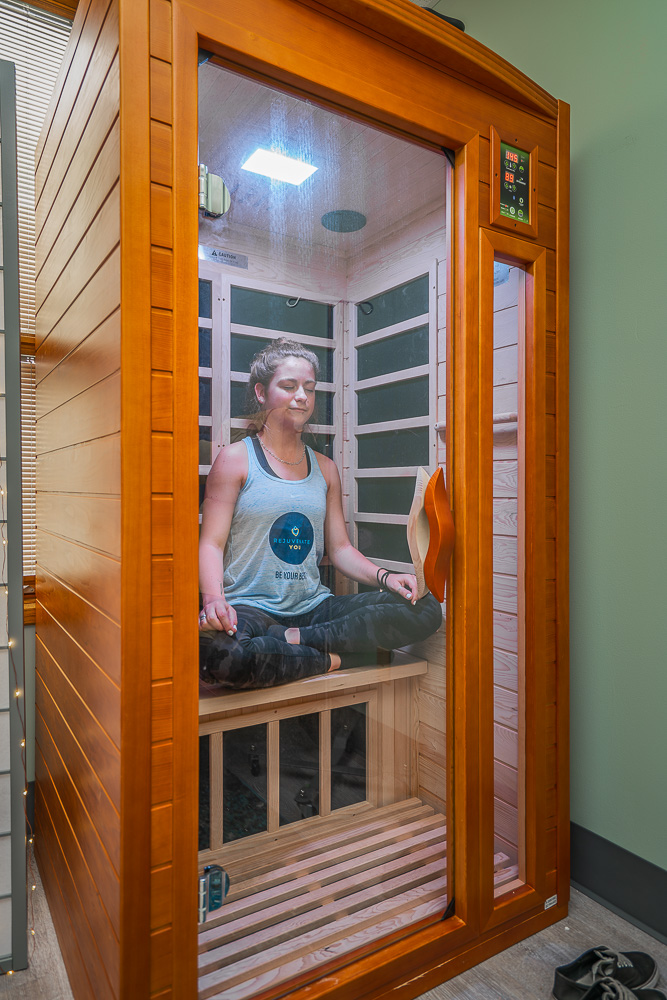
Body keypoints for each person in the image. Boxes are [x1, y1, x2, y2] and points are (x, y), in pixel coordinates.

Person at [199, 338, 442, 689]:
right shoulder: (235, 459)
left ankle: (292, 640)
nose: (302, 396)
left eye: (309, 389)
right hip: (250, 608)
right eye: (289, 386)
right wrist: (214, 602)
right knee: (223, 656)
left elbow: (340, 548)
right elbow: (210, 543)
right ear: (261, 393)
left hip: (315, 610)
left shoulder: (325, 468)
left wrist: (387, 577)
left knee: (424, 609)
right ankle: (340, 657)